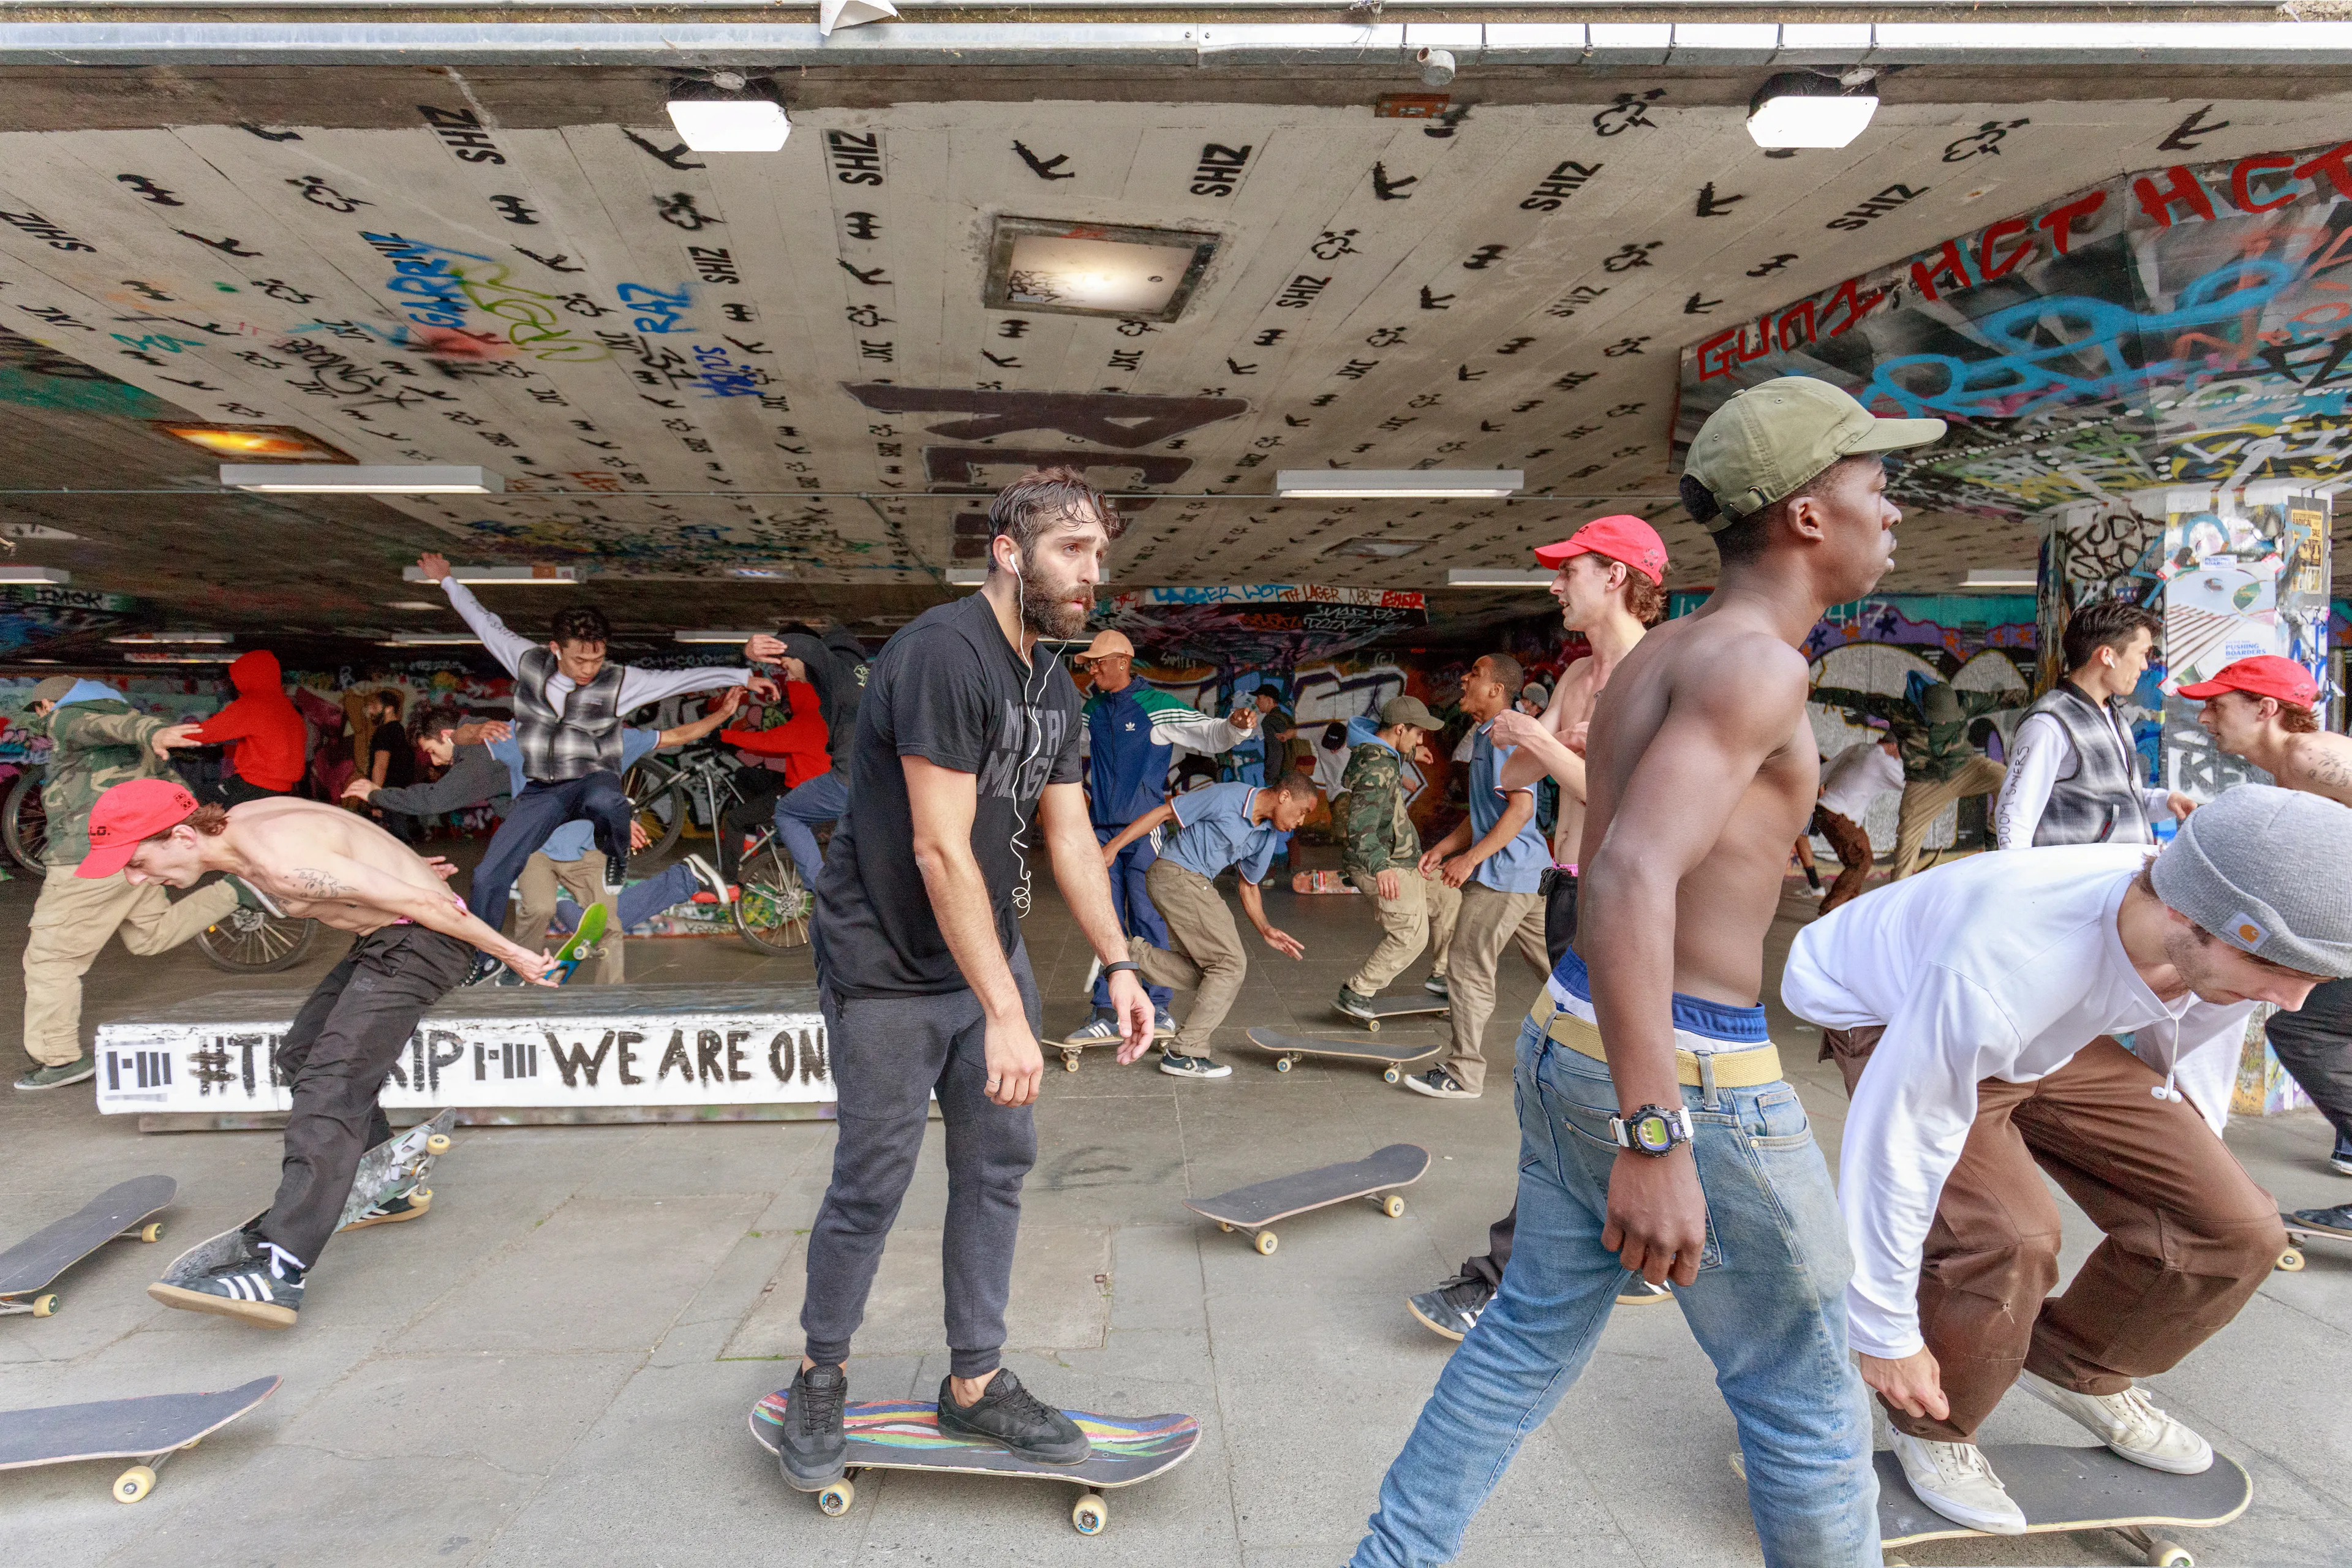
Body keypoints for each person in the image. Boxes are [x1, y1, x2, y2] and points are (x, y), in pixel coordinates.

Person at [1349, 375, 1944, 1568]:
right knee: (1806, 1391)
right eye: (1873, 482)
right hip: (1686, 1068)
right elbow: (1626, 877)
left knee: (1522, 1338)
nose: (1894, 508)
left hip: (1570, 1032)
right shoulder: (1755, 665)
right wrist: (1657, 1132)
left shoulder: (1668, 652)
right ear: (1807, 513)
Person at [1784, 786, 2339, 1534]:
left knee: (2236, 1225)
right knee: (2007, 1236)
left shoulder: (2224, 939)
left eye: (2316, 977)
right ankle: (1932, 1426)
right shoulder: (2004, 958)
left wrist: (2173, 1176)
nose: (2295, 1001)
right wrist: (1882, 1333)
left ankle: (2078, 1362)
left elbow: (2184, 1057)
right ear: (2187, 916)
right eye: (2279, 969)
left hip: (2058, 1024)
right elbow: (1899, 1140)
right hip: (1893, 1008)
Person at [777, 467, 1156, 1493]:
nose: (1093, 575)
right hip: (888, 966)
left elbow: (1071, 834)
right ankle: (822, 1372)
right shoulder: (945, 656)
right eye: (1074, 552)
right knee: (874, 1180)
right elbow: (941, 852)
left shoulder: (1057, 683)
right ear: (1008, 551)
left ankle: (976, 1385)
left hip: (984, 954)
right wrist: (1003, 1013)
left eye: (1100, 557)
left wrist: (1119, 963)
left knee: (995, 1170)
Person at [101, 778, 561, 1326]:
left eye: (136, 860)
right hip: (388, 937)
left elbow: (423, 903)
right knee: (301, 1054)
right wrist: (396, 864)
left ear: (179, 835)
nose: (134, 877)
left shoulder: (282, 864)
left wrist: (512, 954)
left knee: (331, 1084)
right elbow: (347, 830)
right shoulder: (245, 818)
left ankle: (281, 1267)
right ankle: (384, 1187)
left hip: (419, 941)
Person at [1403, 516, 1671, 1338]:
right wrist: (1545, 738)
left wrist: (1549, 747)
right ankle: (1651, 1249)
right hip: (1569, 886)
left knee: (1576, 1080)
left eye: (1572, 572)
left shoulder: (1657, 674)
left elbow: (1621, 794)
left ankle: (1508, 1274)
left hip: (1627, 899)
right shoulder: (1583, 674)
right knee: (1603, 1081)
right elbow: (1524, 771)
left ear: (1618, 577)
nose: (1557, 586)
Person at [418, 552, 780, 981]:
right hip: (540, 795)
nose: (589, 670)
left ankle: (614, 858)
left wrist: (741, 678)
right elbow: (485, 624)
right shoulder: (527, 660)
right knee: (488, 874)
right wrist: (447, 582)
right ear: (555, 650)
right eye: (579, 662)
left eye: (597, 660)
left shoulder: (620, 681)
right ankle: (486, 957)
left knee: (605, 795)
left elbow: (679, 680)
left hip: (589, 787)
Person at [2181, 654, 2352, 1186]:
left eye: (2218, 706)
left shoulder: (2308, 756)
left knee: (2305, 1025)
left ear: (2266, 709)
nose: (2205, 720)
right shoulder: (2287, 770)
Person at [13, 676, 232, 1090]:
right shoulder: (131, 726)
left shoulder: (70, 718)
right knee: (151, 934)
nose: (42, 719)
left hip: (90, 859)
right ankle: (239, 893)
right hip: (144, 854)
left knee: (52, 960)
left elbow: (97, 728)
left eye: (39, 710)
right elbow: (172, 788)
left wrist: (154, 731)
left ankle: (59, 1058)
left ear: (49, 704)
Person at [1064, 628, 1256, 1052]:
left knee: (1147, 918)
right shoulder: (1092, 710)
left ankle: (1159, 1005)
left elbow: (1209, 733)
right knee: (1105, 921)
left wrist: (1236, 729)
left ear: (1123, 662)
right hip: (1100, 831)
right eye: (1089, 663)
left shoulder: (1156, 707)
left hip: (1144, 833)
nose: (1092, 669)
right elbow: (1061, 749)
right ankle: (1104, 1012)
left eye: (1098, 662)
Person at [1397, 653, 1552, 1102]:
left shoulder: (1505, 734)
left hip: (1505, 875)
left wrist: (1471, 860)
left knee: (1465, 968)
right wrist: (1447, 847)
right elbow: (1488, 813)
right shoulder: (1487, 734)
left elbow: (1521, 808)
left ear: (1497, 690)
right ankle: (1612, 1059)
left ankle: (1464, 1074)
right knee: (1563, 975)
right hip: (1529, 870)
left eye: (1476, 675)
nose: (1465, 678)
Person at [1096, 772, 1318, 1077]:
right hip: (1175, 873)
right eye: (1304, 811)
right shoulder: (1229, 796)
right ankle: (1185, 1051)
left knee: (1214, 973)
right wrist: (1113, 848)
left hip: (1194, 882)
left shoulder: (1267, 835)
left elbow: (1249, 886)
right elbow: (1163, 812)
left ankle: (1124, 955)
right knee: (1230, 964)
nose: (1301, 822)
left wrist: (1266, 928)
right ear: (1285, 797)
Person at [1996, 598, 2192, 848]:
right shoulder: (2049, 723)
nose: (2145, 665)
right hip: (2077, 883)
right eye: (2143, 654)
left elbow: (2110, 801)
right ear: (2107, 656)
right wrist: (2018, 882)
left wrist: (2164, 801)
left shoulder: (2112, 714)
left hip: (2114, 881)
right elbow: (2015, 815)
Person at [1333, 696, 1460, 1022]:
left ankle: (1440, 976)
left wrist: (1411, 752)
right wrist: (1380, 868)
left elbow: (1389, 750)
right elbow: (1359, 828)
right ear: (1400, 729)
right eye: (1418, 735)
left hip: (1404, 858)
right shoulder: (1377, 767)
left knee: (1449, 895)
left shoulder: (1385, 752)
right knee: (1411, 933)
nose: (1421, 740)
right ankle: (1357, 990)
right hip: (1379, 862)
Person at [1812, 672, 2009, 880]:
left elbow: (1999, 700)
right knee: (1900, 847)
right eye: (1936, 719)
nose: (1942, 724)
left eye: (1946, 719)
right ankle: (1895, 895)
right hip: (1924, 783)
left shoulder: (1964, 701)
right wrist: (1817, 694)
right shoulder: (1898, 713)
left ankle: (1994, 833)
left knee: (2006, 778)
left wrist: (2037, 697)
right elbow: (1857, 699)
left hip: (1965, 768)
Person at [185, 649, 307, 805]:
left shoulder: (253, 703)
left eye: (238, 678)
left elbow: (207, 732)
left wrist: (168, 734)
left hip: (254, 785)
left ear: (248, 676)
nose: (236, 685)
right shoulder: (287, 706)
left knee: (196, 804)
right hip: (284, 789)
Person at [1812, 729, 1902, 913]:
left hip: (1825, 811)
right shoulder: (1882, 761)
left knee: (1860, 860)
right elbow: (1907, 782)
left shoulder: (1858, 748)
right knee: (1861, 860)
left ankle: (1848, 909)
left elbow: (1822, 773)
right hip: (1838, 815)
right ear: (1894, 746)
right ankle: (1830, 911)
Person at [364, 688, 420, 843]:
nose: (370, 711)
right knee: (401, 842)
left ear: (389, 708)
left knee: (394, 843)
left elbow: (380, 766)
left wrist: (374, 798)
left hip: (387, 795)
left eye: (374, 707)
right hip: (400, 794)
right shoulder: (401, 730)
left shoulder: (384, 732)